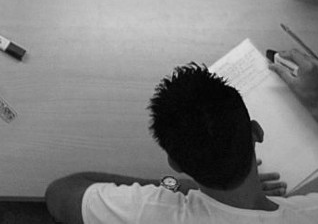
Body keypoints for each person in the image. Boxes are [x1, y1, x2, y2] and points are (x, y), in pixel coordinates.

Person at [45, 58, 318, 224]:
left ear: (175, 163)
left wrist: (178, 186)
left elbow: (60, 193)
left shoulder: (153, 212)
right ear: (256, 132)